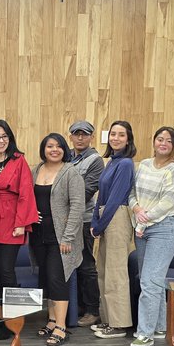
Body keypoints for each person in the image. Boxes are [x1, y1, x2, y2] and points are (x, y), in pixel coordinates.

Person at [0, 118, 38, 338]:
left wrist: (22, 223)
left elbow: (26, 193)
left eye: (4, 136)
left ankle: (10, 322)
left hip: (11, 222)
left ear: (9, 138)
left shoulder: (18, 160)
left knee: (7, 273)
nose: (0, 141)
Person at [128, 127, 174, 346]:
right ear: (153, 142)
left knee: (149, 281)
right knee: (153, 279)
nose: (163, 143)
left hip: (164, 228)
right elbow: (131, 192)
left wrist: (143, 220)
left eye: (168, 141)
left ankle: (145, 334)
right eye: (160, 139)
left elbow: (169, 202)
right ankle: (159, 326)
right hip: (142, 228)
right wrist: (135, 209)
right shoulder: (142, 165)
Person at [30, 133, 85, 346]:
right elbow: (27, 197)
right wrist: (31, 212)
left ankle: (61, 327)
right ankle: (52, 320)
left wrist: (68, 236)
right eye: (50, 146)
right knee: (46, 278)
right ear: (43, 149)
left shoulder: (70, 173)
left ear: (65, 149)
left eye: (58, 146)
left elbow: (78, 207)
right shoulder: (36, 170)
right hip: (38, 235)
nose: (54, 150)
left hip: (61, 236)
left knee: (58, 279)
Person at [92, 121, 137, 339]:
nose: (116, 138)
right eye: (113, 134)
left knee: (116, 273)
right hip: (104, 215)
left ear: (128, 139)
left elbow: (117, 198)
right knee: (103, 270)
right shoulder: (111, 162)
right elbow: (101, 195)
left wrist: (100, 224)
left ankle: (119, 324)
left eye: (121, 135)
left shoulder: (126, 163)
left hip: (117, 217)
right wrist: (94, 221)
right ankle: (108, 319)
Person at [67, 120, 105, 328]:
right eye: (76, 134)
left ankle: (92, 310)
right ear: (70, 136)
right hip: (66, 221)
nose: (80, 138)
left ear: (91, 137)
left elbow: (86, 190)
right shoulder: (67, 158)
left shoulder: (95, 161)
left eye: (84, 134)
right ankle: (78, 307)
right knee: (72, 265)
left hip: (84, 220)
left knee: (86, 265)